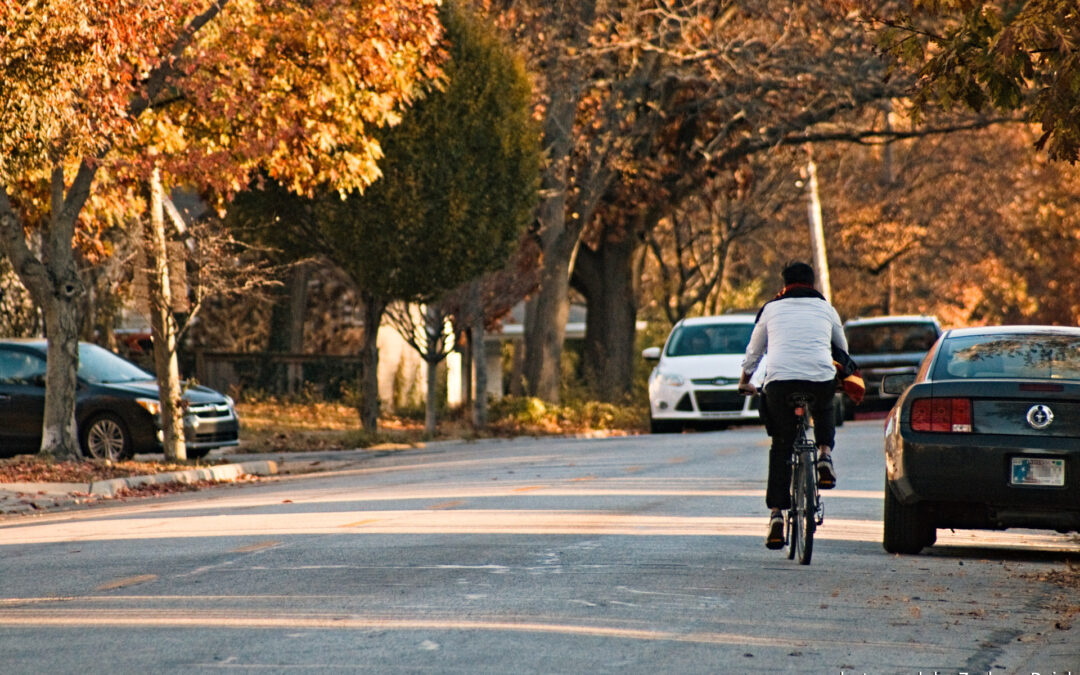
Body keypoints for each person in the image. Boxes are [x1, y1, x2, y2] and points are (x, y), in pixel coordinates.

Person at [737, 261, 848, 550]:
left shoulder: (770, 309)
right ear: (813, 283)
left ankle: (776, 515)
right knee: (824, 404)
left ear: (784, 284)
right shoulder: (827, 308)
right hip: (819, 379)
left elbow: (754, 352)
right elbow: (842, 349)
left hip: (780, 384)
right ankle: (824, 455)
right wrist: (840, 377)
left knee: (781, 445)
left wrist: (744, 380)